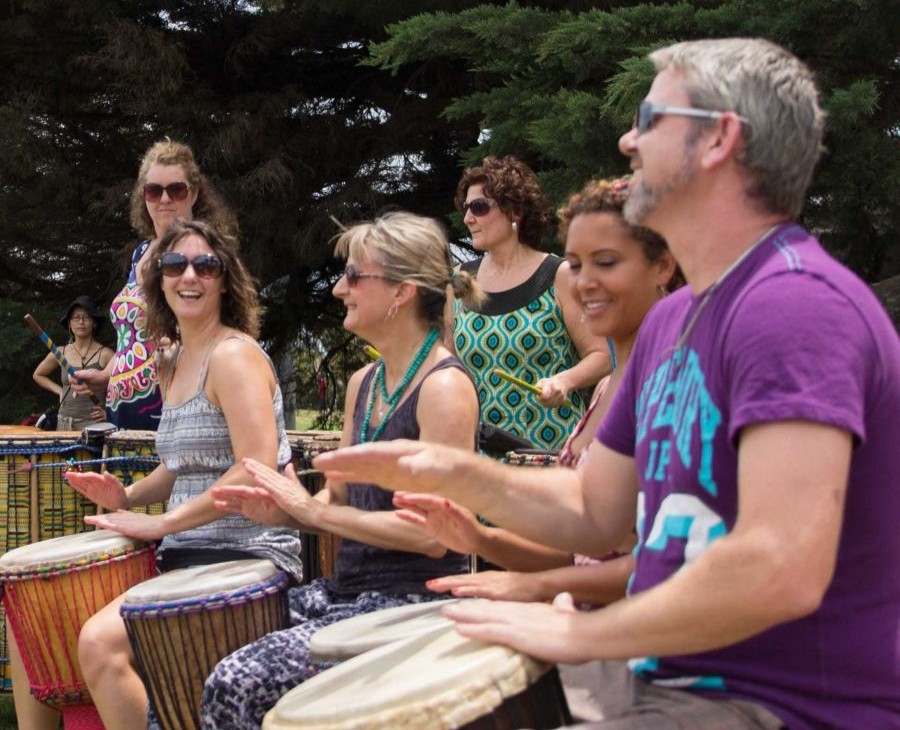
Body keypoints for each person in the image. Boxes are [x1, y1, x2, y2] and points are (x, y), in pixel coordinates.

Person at [315, 38, 900, 730]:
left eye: (651, 119)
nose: (627, 140)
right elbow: (597, 513)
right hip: (665, 682)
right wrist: (453, 471)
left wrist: (581, 635)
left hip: (782, 704)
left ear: (719, 140)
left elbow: (780, 565)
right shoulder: (673, 321)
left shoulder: (794, 307)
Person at [200, 211, 482, 729]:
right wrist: (286, 512)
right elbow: (337, 503)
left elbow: (436, 537)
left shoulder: (444, 389)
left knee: (233, 681)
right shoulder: (364, 383)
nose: (337, 289)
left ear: (402, 291)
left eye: (354, 276)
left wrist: (312, 511)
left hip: (412, 607)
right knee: (206, 640)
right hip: (348, 594)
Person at [41, 219, 300, 730]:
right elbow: (179, 463)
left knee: (99, 643)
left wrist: (163, 524)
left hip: (247, 555)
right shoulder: (175, 362)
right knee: (80, 634)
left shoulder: (233, 356)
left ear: (225, 280)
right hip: (190, 553)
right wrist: (129, 495)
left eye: (206, 265)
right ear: (158, 281)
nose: (190, 276)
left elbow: (255, 469)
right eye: (175, 265)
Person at [402, 177, 679, 606]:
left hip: (636, 641)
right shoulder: (612, 390)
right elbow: (583, 552)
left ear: (663, 266)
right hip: (581, 611)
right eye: (576, 263)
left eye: (605, 262)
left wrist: (537, 586)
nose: (584, 281)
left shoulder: (672, 385)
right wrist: (481, 538)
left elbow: (672, 564)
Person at [72, 138, 238, 430]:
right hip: (120, 410)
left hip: (171, 406)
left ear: (194, 193)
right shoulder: (140, 253)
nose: (164, 199)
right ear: (143, 197)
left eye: (176, 190)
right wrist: (105, 375)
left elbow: (223, 328)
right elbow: (131, 339)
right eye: (153, 190)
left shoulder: (200, 256)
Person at [452, 155, 611, 451]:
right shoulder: (461, 279)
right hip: (479, 459)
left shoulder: (558, 276)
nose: (468, 218)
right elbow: (446, 362)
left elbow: (602, 354)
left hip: (550, 455)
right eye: (466, 208)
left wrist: (564, 381)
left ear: (516, 210)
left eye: (479, 207)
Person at [31, 295, 114, 430]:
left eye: (87, 317)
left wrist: (109, 414)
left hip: (94, 426)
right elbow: (38, 375)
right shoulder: (60, 352)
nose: (81, 321)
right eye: (76, 317)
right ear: (69, 323)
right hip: (63, 423)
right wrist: (59, 391)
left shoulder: (105, 354)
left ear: (94, 323)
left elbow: (122, 386)